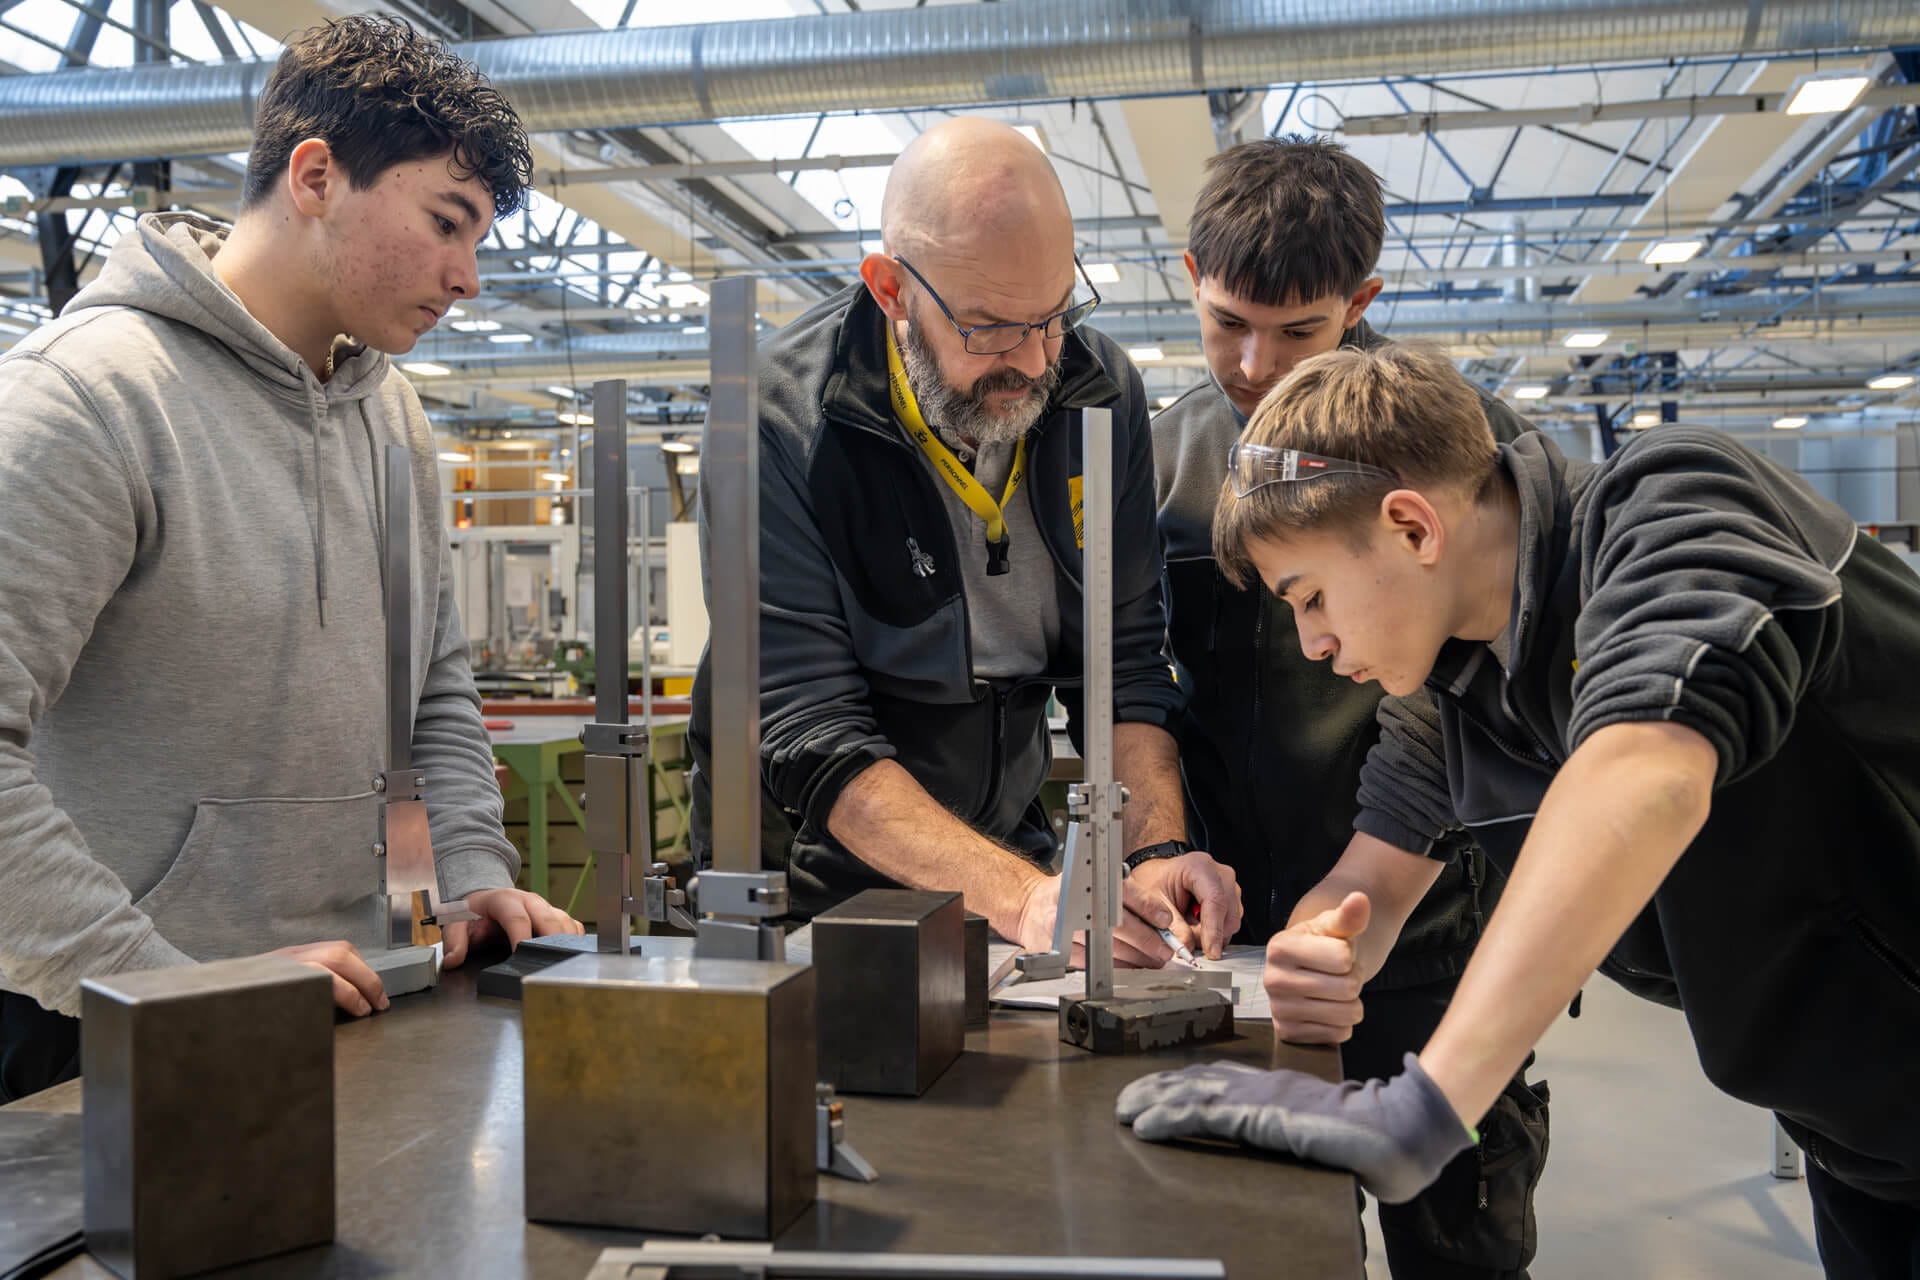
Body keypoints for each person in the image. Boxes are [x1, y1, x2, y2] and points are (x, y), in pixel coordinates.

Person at [1122, 341, 1920, 1278]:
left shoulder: (1676, 503)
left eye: (1311, 596)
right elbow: (1369, 881)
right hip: (1863, 1141)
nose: (1314, 644)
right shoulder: (1461, 693)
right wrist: (1322, 952)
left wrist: (1422, 1110)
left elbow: (1644, 763)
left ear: (1413, 528)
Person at [0, 15, 582, 1105]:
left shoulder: (394, 419)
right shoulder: (86, 401)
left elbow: (435, 690)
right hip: (108, 1033)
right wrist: (168, 986)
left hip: (357, 1003)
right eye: (446, 222)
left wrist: (470, 875)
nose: (465, 275)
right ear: (316, 175)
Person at [688, 117, 1241, 962]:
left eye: (1054, 315)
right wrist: (1025, 898)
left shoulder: (1097, 390)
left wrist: (1154, 851)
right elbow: (811, 726)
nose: (1031, 359)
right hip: (809, 873)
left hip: (1001, 847)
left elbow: (1124, 665)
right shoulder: (778, 421)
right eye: (986, 326)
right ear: (889, 290)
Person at [1154, 136, 1548, 1278]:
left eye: (1299, 329)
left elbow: (1507, 707)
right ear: (1189, 274)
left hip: (1431, 940)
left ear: (1363, 300)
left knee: (1456, 1239)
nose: (1253, 362)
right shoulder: (1161, 461)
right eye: (1227, 321)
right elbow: (1138, 689)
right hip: (1235, 942)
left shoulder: (1471, 447)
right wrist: (1167, 850)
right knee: (1256, 1244)